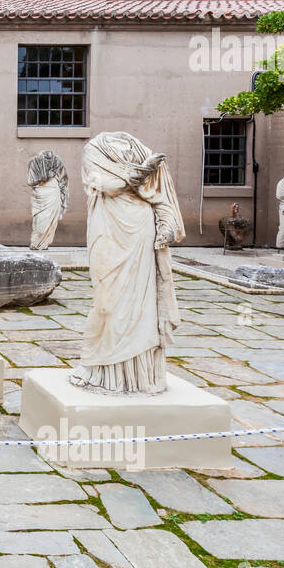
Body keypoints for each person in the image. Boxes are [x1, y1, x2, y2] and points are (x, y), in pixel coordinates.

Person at [71, 131, 185, 395]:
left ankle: (137, 378)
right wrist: (144, 169)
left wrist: (166, 225)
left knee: (141, 306)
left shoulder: (141, 148)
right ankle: (99, 369)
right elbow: (110, 186)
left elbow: (161, 195)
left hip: (140, 230)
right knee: (107, 301)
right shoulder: (94, 151)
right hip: (108, 227)